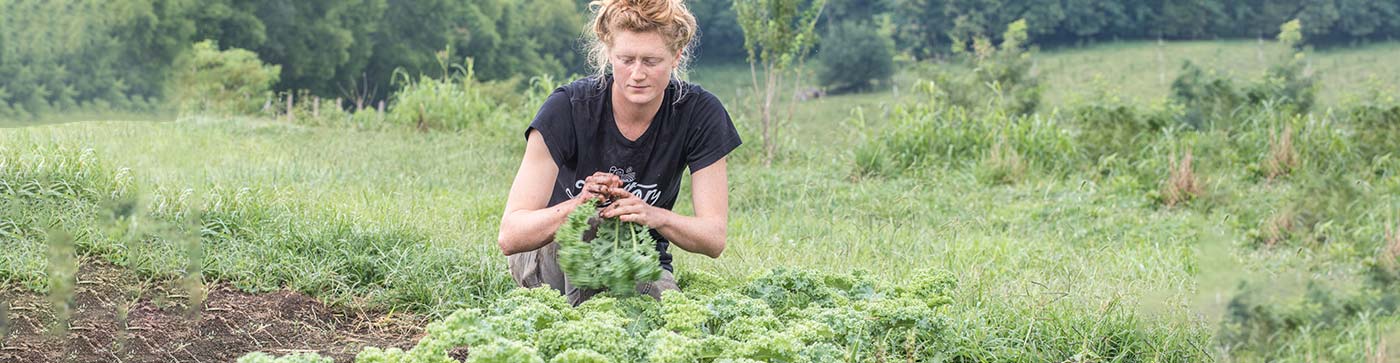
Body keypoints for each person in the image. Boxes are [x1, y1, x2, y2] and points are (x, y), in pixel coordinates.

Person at [496, 0, 741, 305]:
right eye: (626, 59)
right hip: (550, 256)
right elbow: (511, 235)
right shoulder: (567, 108)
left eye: (651, 61)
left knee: (667, 326)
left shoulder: (700, 114)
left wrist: (651, 216)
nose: (637, 74)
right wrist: (579, 205)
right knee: (593, 222)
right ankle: (580, 324)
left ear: (676, 56)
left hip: (637, 261)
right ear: (609, 54)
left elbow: (713, 238)